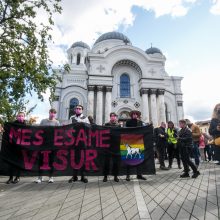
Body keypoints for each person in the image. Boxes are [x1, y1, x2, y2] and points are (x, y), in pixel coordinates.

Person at [35, 108, 60, 183]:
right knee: (41, 160)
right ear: (49, 113)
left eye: (54, 113)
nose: (52, 114)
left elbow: (59, 133)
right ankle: (40, 177)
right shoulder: (43, 121)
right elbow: (38, 131)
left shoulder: (57, 122)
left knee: (51, 160)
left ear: (55, 114)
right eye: (51, 112)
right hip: (43, 144)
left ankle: (51, 176)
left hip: (52, 144)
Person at [68, 104, 90, 183]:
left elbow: (88, 128)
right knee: (74, 158)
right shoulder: (72, 118)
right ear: (75, 110)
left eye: (79, 108)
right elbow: (69, 128)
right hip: (74, 141)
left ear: (82, 110)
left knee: (83, 158)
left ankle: (83, 176)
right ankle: (74, 176)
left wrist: (82, 124)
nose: (78, 110)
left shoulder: (85, 118)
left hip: (82, 141)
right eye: (76, 108)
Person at [125, 110, 146, 181]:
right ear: (131, 115)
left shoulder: (140, 122)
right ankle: (128, 175)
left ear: (137, 115)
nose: (135, 115)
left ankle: (139, 174)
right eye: (133, 114)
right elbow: (126, 131)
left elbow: (144, 130)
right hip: (130, 142)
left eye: (136, 114)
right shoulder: (128, 122)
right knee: (129, 159)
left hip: (139, 142)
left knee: (139, 158)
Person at [6, 112, 26, 184]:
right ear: (17, 117)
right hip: (13, 147)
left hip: (20, 147)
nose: (20, 117)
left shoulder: (25, 126)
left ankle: (17, 177)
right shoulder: (13, 124)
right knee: (11, 163)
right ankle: (10, 178)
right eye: (19, 116)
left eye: (22, 116)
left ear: (24, 117)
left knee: (18, 163)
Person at [103, 112, 121, 182]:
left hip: (116, 146)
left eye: (114, 116)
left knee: (116, 162)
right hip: (108, 146)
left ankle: (115, 176)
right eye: (112, 116)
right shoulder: (106, 124)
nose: (113, 117)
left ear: (116, 117)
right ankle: (105, 176)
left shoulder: (118, 125)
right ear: (110, 117)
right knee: (106, 162)